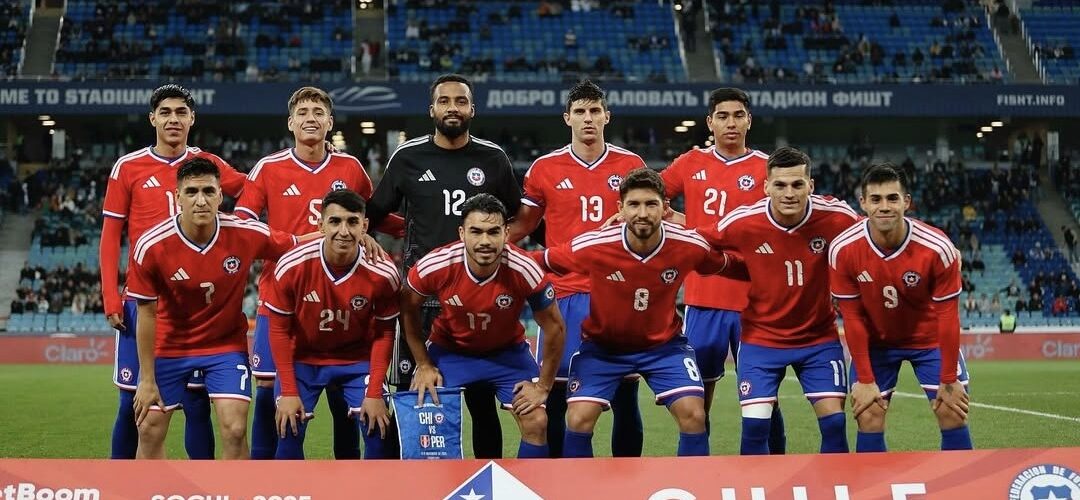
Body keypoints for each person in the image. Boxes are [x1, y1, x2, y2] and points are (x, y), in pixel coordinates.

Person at [365, 74, 522, 459]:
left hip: (476, 300)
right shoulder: (407, 157)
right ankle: (406, 485)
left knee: (483, 404)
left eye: (461, 101)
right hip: (420, 299)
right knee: (409, 396)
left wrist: (497, 254)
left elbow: (517, 218)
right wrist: (369, 234)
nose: (453, 107)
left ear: (472, 109)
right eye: (445, 101)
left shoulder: (493, 158)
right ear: (431, 109)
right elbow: (373, 212)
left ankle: (490, 481)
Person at [540, 168, 746, 458]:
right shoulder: (595, 245)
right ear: (620, 209)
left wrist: (771, 268)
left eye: (651, 204)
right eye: (634, 204)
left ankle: (691, 487)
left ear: (664, 208)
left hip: (665, 348)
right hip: (603, 349)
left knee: (694, 415)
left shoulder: (687, 244)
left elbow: (729, 265)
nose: (642, 212)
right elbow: (541, 261)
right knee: (578, 418)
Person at [234, 86, 393, 460]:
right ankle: (264, 476)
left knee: (343, 396)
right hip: (283, 296)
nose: (310, 117)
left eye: (318, 112)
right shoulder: (269, 168)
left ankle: (349, 477)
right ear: (291, 123)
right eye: (302, 111)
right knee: (271, 391)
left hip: (341, 292)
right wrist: (296, 241)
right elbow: (243, 225)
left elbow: (373, 215)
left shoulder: (350, 168)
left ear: (330, 123)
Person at [100, 83, 246, 460]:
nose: (173, 119)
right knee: (133, 403)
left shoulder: (206, 165)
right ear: (153, 118)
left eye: (181, 112)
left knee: (197, 405)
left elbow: (253, 189)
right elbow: (111, 233)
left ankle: (203, 487)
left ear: (192, 118)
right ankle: (122, 485)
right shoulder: (128, 167)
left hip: (195, 306)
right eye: (165, 112)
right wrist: (111, 295)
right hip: (144, 302)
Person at [506, 80, 646, 458]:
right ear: (567, 118)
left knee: (625, 393)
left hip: (615, 293)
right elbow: (521, 225)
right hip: (563, 293)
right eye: (581, 112)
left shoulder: (631, 165)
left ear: (607, 116)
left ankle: (626, 480)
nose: (588, 118)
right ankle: (557, 482)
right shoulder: (545, 167)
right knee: (553, 392)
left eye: (595, 111)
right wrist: (490, 249)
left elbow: (652, 221)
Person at [127, 158, 302, 459]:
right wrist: (146, 379)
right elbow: (146, 313)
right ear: (177, 197)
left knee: (234, 429)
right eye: (192, 191)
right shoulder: (151, 245)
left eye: (209, 191)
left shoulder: (245, 232)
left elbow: (297, 243)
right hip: (170, 347)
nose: (201, 200)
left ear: (221, 196)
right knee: (149, 428)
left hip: (224, 347)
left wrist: (351, 239)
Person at [698, 147, 858, 455]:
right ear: (766, 186)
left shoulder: (837, 217)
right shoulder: (745, 221)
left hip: (818, 339)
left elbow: (873, 233)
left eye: (797, 185)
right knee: (756, 427)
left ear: (810, 186)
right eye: (780, 185)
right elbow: (697, 240)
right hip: (762, 340)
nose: (789, 193)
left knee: (835, 423)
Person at [659, 87, 786, 451]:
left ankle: (775, 470)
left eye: (738, 115)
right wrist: (687, 222)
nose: (731, 123)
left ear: (749, 120)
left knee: (765, 398)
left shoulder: (767, 168)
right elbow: (654, 197)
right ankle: (700, 477)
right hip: (704, 297)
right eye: (723, 116)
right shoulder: (690, 162)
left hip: (756, 301)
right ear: (709, 122)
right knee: (699, 397)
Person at [404, 194, 565, 459]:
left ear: (506, 232)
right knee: (427, 419)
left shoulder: (525, 268)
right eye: (475, 232)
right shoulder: (436, 264)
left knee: (536, 421)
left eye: (493, 232)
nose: (485, 241)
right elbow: (407, 308)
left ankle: (528, 491)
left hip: (507, 355)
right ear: (461, 233)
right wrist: (423, 364)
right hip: (450, 351)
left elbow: (555, 327)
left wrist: (544, 386)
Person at [828, 164, 972, 452]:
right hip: (876, 344)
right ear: (863, 203)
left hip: (929, 340)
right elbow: (853, 318)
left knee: (951, 411)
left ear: (906, 202)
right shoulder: (843, 249)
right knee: (868, 414)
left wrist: (948, 379)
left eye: (892, 198)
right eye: (876, 199)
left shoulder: (937, 247)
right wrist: (865, 380)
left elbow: (947, 315)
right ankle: (873, 491)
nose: (884, 207)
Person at [265, 189, 400, 459]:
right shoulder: (292, 265)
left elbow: (385, 334)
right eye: (335, 221)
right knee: (288, 427)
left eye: (352, 222)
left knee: (379, 429)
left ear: (365, 226)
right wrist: (289, 391)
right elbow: (279, 330)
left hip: (356, 362)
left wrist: (374, 393)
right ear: (320, 224)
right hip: (304, 360)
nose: (344, 231)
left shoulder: (383, 273)